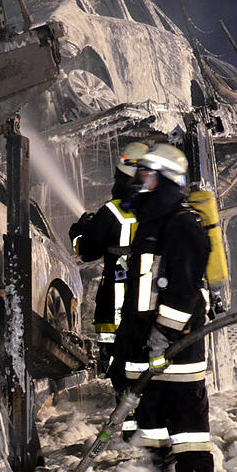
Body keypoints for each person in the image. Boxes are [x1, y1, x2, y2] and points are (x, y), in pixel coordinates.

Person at [108, 142, 213, 472]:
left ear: (162, 180)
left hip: (176, 347)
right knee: (150, 423)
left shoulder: (184, 226)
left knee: (187, 423)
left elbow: (183, 291)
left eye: (145, 174)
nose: (139, 181)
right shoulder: (151, 223)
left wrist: (163, 335)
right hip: (142, 343)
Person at [68, 141, 148, 438]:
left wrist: (78, 231)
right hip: (153, 307)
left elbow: (86, 252)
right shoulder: (162, 210)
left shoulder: (112, 212)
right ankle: (150, 427)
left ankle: (131, 432)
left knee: (124, 373)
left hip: (117, 309)